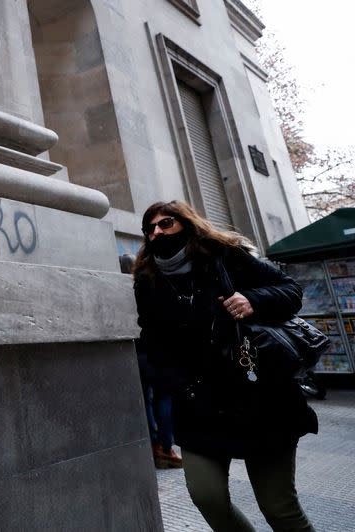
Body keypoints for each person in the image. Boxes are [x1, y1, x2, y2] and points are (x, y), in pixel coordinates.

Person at [133, 200, 317, 531]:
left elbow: (290, 290)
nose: (157, 232)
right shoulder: (148, 279)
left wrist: (253, 301)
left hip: (262, 399)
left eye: (166, 224)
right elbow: (152, 339)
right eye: (150, 228)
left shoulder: (224, 256)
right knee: (207, 496)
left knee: (279, 507)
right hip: (198, 406)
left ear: (187, 223)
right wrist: (180, 386)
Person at [121, 254, 182, 469]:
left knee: (146, 397)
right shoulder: (145, 284)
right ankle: (167, 447)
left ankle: (154, 444)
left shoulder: (117, 289)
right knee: (164, 396)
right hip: (151, 349)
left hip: (132, 351)